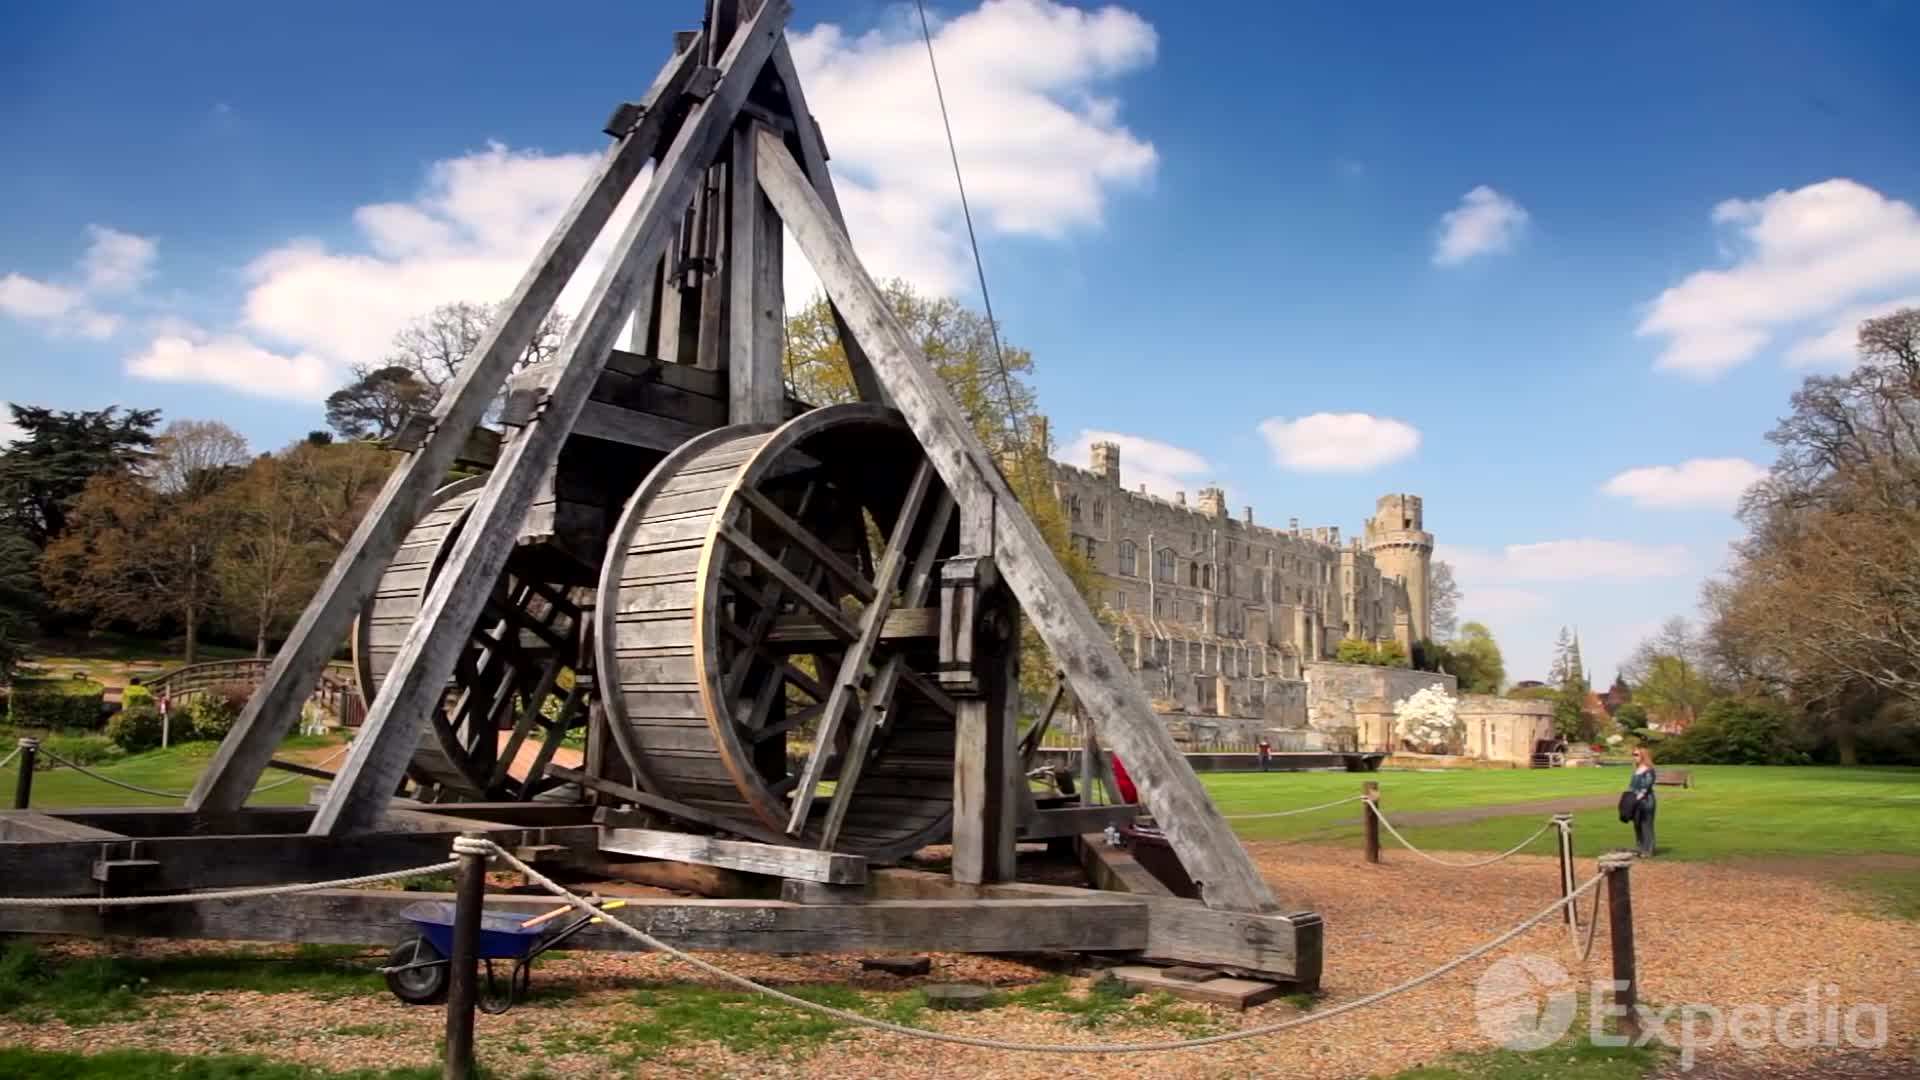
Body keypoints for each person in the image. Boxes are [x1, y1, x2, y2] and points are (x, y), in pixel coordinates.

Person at [1627, 745, 1657, 856]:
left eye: (1636, 755)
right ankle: (1640, 848)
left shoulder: (1649, 770)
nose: (1634, 757)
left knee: (1646, 825)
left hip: (1646, 801)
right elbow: (1632, 786)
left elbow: (1647, 785)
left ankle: (1648, 850)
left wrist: (1640, 795)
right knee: (1637, 824)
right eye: (1633, 754)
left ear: (1643, 756)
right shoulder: (1637, 769)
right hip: (1635, 801)